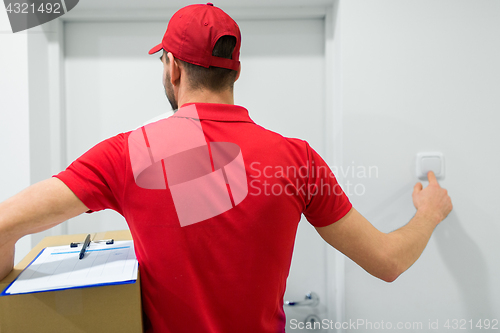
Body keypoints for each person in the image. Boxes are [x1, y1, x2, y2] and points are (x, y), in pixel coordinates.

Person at [0, 3, 453, 333]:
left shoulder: (127, 154)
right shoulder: (297, 159)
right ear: (235, 73)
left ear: (172, 68)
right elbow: (388, 262)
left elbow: (4, 225)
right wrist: (429, 213)